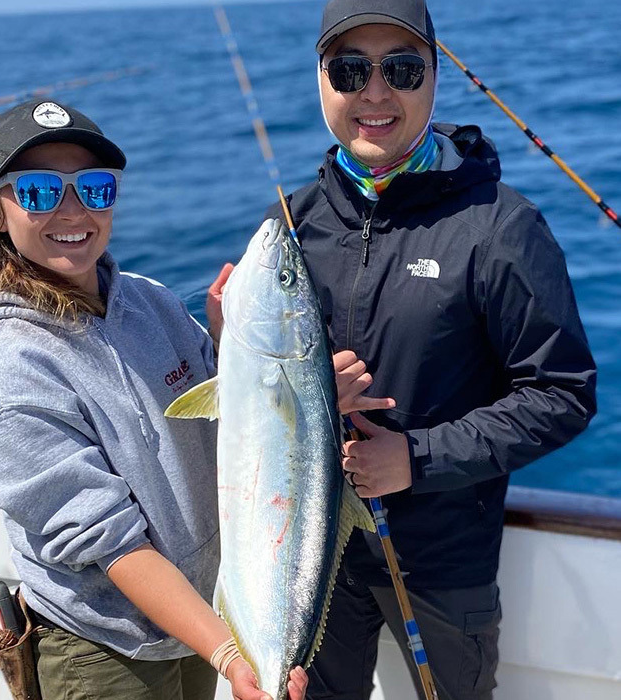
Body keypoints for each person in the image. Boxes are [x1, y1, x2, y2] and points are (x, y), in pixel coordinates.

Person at [253, 1, 597, 698]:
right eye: (350, 69)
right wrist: (282, 379)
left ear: (435, 77)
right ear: (321, 80)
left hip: (443, 564)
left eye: (401, 69)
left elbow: (563, 393)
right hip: (313, 559)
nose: (374, 93)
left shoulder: (501, 226)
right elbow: (257, 404)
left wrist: (417, 458)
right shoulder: (288, 228)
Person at [0, 99, 308, 700]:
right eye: (38, 191)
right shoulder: (10, 373)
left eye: (94, 188)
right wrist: (224, 650)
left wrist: (274, 379)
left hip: (199, 625)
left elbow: (231, 422)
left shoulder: (151, 302)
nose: (72, 210)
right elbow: (110, 544)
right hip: (103, 652)